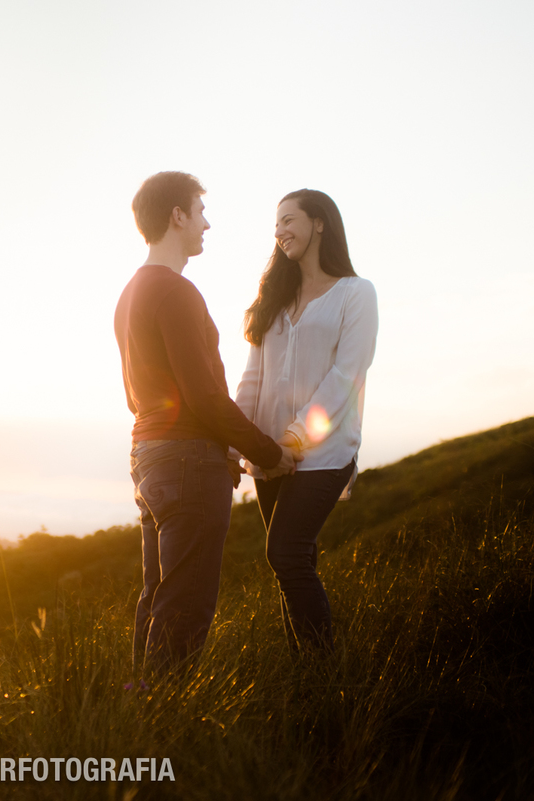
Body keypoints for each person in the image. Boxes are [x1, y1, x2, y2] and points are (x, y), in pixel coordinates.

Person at [115, 172, 300, 673]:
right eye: (199, 212)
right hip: (186, 463)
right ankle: (168, 726)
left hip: (149, 459)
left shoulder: (131, 292)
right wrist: (266, 451)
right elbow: (203, 396)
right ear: (177, 216)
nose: (207, 224)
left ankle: (140, 708)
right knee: (185, 607)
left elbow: (140, 395)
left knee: (159, 597)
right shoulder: (176, 291)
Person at [235, 189, 378, 652]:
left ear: (319, 223)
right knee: (292, 565)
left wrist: (298, 436)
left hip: (322, 453)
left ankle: (323, 670)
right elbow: (252, 379)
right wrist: (236, 442)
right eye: (275, 225)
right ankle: (305, 671)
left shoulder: (355, 294)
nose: (279, 232)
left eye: (289, 220)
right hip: (270, 454)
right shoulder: (273, 298)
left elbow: (346, 376)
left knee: (285, 554)